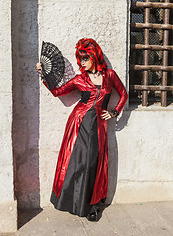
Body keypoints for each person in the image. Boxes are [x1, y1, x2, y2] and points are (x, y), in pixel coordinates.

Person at [36, 38, 128, 221]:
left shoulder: (110, 75)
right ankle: (73, 202)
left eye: (85, 58)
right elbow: (58, 92)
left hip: (99, 126)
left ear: (94, 57)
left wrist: (114, 112)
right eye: (80, 59)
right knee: (77, 162)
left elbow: (123, 93)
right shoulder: (80, 79)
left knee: (95, 162)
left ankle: (94, 204)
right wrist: (43, 75)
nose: (82, 62)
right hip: (78, 123)